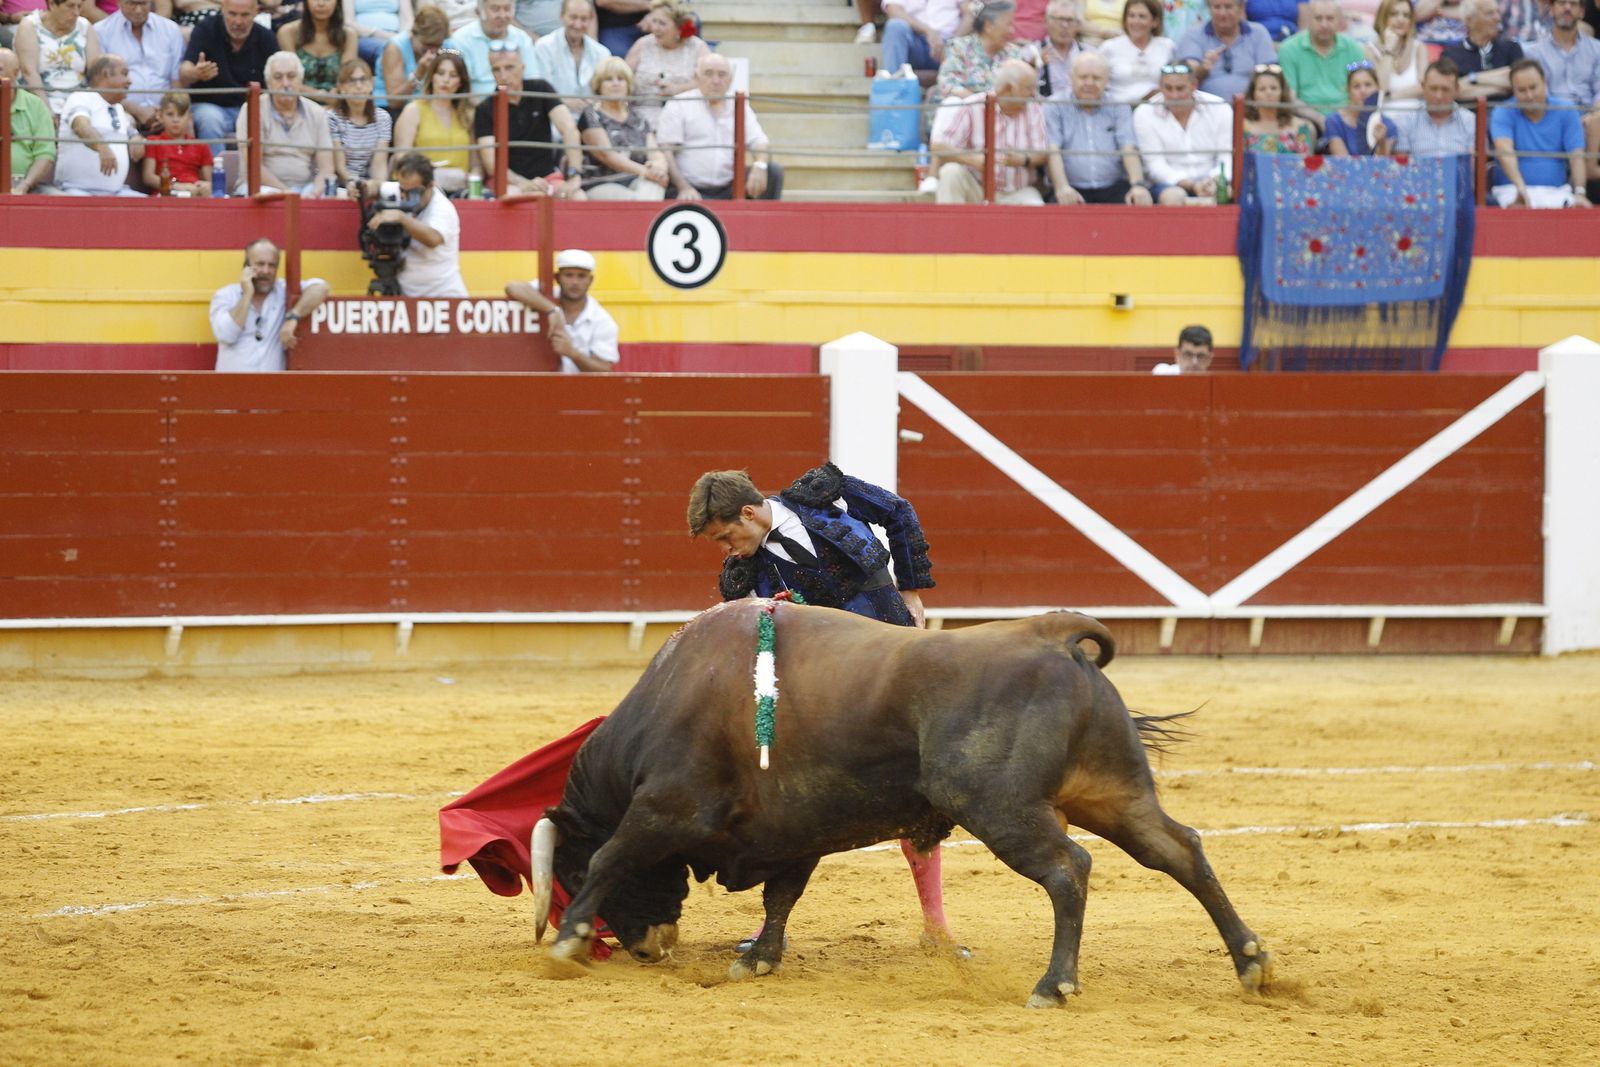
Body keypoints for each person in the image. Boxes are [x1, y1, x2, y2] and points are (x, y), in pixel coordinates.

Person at [685, 464, 958, 958]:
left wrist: (912, 591)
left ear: (749, 512)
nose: (726, 550)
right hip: (829, 698)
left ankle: (936, 927)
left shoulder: (821, 495)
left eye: (726, 536)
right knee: (795, 800)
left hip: (897, 662)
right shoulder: (744, 577)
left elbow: (898, 512)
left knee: (922, 793)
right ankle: (771, 927)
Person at [657, 51, 782, 199]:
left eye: (722, 75)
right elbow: (666, 151)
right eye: (708, 74)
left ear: (730, 80)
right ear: (697, 77)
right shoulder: (679, 104)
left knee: (772, 172)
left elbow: (759, 141)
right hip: (688, 188)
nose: (715, 80)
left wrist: (760, 165)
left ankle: (764, 222)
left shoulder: (739, 105)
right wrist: (683, 187)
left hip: (730, 186)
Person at [931, 56, 1049, 203]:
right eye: (1029, 88)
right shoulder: (973, 105)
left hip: (1017, 192)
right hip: (976, 188)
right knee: (951, 173)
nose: (1033, 94)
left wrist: (1024, 159)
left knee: (1035, 205)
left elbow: (1043, 154)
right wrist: (972, 159)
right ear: (1008, 89)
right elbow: (938, 146)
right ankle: (950, 226)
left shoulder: (1034, 109)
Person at [471, 45, 583, 195]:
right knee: (526, 197)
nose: (503, 76)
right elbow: (491, 163)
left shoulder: (541, 89)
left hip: (548, 177)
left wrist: (574, 174)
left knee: (578, 196)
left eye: (509, 68)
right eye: (496, 70)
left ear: (522, 68)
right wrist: (523, 183)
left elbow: (569, 128)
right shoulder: (485, 108)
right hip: (508, 182)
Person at [1046, 50, 1152, 203]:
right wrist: (1062, 187)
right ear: (1071, 78)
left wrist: (1137, 185)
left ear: (1107, 81)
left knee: (1139, 203)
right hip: (1070, 187)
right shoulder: (1054, 105)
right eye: (1083, 77)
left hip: (1113, 188)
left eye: (1096, 78)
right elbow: (1052, 150)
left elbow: (1128, 147)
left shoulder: (1119, 105)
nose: (1089, 83)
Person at [211, 238, 330, 373]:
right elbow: (227, 335)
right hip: (232, 389)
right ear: (246, 266)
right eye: (260, 264)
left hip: (273, 390)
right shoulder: (225, 296)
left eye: (272, 265)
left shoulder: (283, 291)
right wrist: (247, 295)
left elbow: (321, 288)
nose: (266, 271)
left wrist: (293, 317)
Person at [179, 0, 277, 155]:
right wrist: (195, 73)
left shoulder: (266, 37)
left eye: (244, 15)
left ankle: (257, 175)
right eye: (233, 14)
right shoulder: (205, 29)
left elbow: (276, 79)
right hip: (210, 106)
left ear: (256, 12)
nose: (238, 21)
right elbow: (184, 71)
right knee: (210, 120)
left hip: (251, 108)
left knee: (268, 118)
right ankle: (217, 174)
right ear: (222, 9)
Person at [1490, 56, 1589, 205]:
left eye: (1533, 87)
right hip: (1511, 190)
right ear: (1513, 91)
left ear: (1545, 84)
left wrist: (1580, 192)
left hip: (1557, 192)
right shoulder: (1503, 111)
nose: (1529, 95)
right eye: (1522, 90)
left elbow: (1577, 155)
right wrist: (1520, 188)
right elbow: (1505, 152)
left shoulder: (1567, 110)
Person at [234, 49, 336, 192]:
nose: (285, 83)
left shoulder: (317, 112)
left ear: (301, 81)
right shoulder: (252, 109)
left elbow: (326, 168)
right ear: (268, 83)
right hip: (261, 188)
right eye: (278, 77)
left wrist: (314, 194)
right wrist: (288, 195)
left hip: (306, 190)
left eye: (291, 76)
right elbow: (254, 166)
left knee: (334, 196)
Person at [504, 248, 620, 372]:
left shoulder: (603, 321)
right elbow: (512, 287)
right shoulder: (544, 296)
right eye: (569, 275)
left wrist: (572, 353)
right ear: (557, 278)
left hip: (581, 389)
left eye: (581, 276)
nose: (575, 282)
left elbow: (605, 370)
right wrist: (552, 310)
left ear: (590, 280)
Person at [1133, 60, 1231, 203]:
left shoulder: (1220, 108)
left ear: (1194, 86)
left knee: (1225, 193)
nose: (1174, 95)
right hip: (1169, 185)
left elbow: (1227, 158)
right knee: (1174, 196)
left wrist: (1213, 181)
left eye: (1180, 88)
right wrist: (1192, 185)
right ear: (1160, 88)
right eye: (1168, 88)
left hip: (1212, 181)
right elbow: (1154, 166)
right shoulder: (1145, 113)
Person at [375, 151, 469, 294]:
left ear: (430, 186)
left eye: (413, 192)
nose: (405, 196)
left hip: (443, 295)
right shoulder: (403, 190)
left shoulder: (442, 208)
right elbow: (376, 187)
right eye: (402, 190)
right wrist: (362, 188)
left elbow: (433, 238)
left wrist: (402, 218)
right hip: (405, 295)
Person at [576, 54, 668, 199]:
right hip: (600, 183)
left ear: (628, 84)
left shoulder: (638, 118)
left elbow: (655, 152)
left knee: (653, 187)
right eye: (609, 79)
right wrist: (646, 172)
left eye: (621, 79)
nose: (615, 83)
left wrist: (660, 166)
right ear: (599, 85)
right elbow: (608, 156)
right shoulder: (591, 114)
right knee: (635, 200)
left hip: (636, 179)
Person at [56, 53, 146, 193]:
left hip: (116, 192)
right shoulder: (81, 97)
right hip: (76, 190)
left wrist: (136, 137)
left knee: (150, 209)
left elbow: (129, 129)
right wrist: (102, 146)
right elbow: (81, 126)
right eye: (124, 74)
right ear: (106, 74)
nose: (130, 81)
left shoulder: (118, 107)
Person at [1525, 0, 1600, 166]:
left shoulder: (1597, 50)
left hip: (1590, 121)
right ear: (1551, 9)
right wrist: (1569, 119)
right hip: (1552, 119)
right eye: (1561, 3)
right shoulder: (1534, 52)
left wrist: (1594, 116)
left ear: (1581, 12)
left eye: (1573, 4)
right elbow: (1539, 94)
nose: (1567, 8)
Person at [90, 0, 183, 130]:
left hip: (167, 111)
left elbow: (176, 81)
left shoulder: (171, 30)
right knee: (123, 125)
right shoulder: (101, 31)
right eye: (132, 4)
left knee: (185, 122)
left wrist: (167, 112)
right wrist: (136, 110)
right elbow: (101, 86)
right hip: (122, 110)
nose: (138, 10)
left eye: (143, 4)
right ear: (119, 2)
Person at [394, 47, 476, 191]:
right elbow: (402, 158)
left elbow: (476, 165)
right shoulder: (413, 110)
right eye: (441, 73)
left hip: (461, 188)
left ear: (461, 82)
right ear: (432, 77)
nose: (446, 80)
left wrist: (474, 183)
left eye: (453, 75)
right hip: (422, 188)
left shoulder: (468, 114)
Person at [623, 0, 707, 130]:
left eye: (662, 23)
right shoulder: (642, 44)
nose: (655, 28)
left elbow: (706, 81)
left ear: (679, 28)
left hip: (685, 117)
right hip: (642, 117)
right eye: (654, 21)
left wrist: (678, 89)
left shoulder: (697, 47)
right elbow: (623, 76)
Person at [1174, 0, 1277, 102]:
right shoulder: (1194, 34)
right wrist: (1202, 69)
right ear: (1209, 9)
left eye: (1228, 7)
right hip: (1206, 109)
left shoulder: (1258, 32)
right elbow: (1183, 77)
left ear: (1241, 8)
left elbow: (1270, 75)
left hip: (1252, 109)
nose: (1222, 13)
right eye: (1217, 7)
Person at [1278, 0, 1368, 115]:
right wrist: (1319, 119)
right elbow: (1290, 97)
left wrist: (1338, 120)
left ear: (1340, 21)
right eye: (1318, 18)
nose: (1324, 25)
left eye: (1330, 18)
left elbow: (1359, 93)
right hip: (1305, 116)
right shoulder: (1289, 49)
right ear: (1309, 19)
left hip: (1346, 116)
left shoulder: (1354, 49)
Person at [14, 0, 99, 116]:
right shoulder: (30, 26)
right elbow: (29, 72)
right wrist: (46, 109)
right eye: (70, 6)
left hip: (80, 100)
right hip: (41, 98)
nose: (76, 12)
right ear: (52, 4)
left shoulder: (84, 26)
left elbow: (95, 71)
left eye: (79, 6)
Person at [1390, 57, 1478, 153]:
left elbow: (1473, 165)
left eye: (1445, 89)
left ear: (1457, 89)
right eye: (1433, 88)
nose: (1439, 96)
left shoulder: (1471, 122)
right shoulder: (1405, 120)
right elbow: (1402, 165)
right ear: (1423, 87)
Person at [374, 1, 449, 109]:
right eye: (428, 45)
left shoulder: (447, 45)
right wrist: (418, 74)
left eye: (438, 45)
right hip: (390, 110)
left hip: (427, 107)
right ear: (413, 35)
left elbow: (457, 54)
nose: (433, 50)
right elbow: (394, 102)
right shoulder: (395, 48)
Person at [277, 0, 356, 102]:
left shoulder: (349, 35)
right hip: (297, 103)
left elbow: (347, 78)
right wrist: (320, 96)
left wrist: (335, 98)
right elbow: (289, 79)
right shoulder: (288, 32)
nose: (321, 3)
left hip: (337, 104)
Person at [529, 0, 607, 104]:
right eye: (573, 17)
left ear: (590, 20)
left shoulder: (602, 53)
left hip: (592, 116)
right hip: (553, 115)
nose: (578, 25)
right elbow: (541, 92)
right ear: (562, 16)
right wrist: (565, 102)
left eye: (583, 19)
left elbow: (604, 94)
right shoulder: (544, 47)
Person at [2, 45, 57, 191]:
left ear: (16, 72)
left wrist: (24, 186)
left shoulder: (35, 105)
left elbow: (45, 153)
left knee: (64, 204)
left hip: (27, 184)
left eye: (0, 69)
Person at [1441, 0, 1522, 100]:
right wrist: (1501, 86)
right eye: (1489, 13)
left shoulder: (1511, 48)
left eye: (1497, 12)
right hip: (1467, 113)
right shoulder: (1451, 55)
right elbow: (1453, 91)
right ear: (1470, 20)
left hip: (1506, 113)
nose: (1497, 18)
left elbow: (1520, 80)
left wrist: (1472, 78)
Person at [328, 56, 391, 183]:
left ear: (372, 84)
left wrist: (375, 186)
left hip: (371, 184)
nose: (358, 86)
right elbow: (340, 168)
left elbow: (379, 165)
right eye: (352, 81)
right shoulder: (332, 118)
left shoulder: (383, 118)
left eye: (363, 80)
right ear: (341, 87)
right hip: (343, 184)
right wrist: (356, 185)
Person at [1098, 0, 1173, 104]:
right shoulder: (1109, 47)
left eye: (1142, 16)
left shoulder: (1167, 46)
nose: (1135, 21)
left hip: (1156, 110)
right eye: (1131, 16)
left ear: (1155, 21)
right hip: (1118, 110)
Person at [454, 0, 534, 96]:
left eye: (507, 9)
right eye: (495, 9)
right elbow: (462, 88)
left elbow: (532, 80)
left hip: (518, 104)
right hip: (477, 105)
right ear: (479, 11)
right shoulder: (461, 40)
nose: (502, 15)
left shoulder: (522, 39)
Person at [141, 88, 212, 191]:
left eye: (181, 115)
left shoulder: (201, 146)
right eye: (170, 114)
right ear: (160, 116)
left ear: (189, 117)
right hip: (165, 195)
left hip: (194, 195)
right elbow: (148, 177)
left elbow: (209, 181)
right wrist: (176, 187)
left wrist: (204, 187)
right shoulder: (153, 142)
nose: (175, 120)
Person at [879, 0, 966, 80]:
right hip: (915, 42)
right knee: (894, 27)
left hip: (949, 45)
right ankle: (893, 87)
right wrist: (928, 32)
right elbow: (894, 11)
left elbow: (970, 14)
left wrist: (953, 43)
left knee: (962, 47)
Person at [1241, 62, 1318, 153]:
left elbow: (1304, 163)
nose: (1268, 93)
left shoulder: (1301, 127)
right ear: (1253, 94)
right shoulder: (1242, 126)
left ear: (1282, 92)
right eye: (1262, 89)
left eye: (1273, 88)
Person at [1323, 61, 1397, 153]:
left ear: (1378, 88)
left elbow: (1382, 165)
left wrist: (1381, 143)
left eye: (1368, 85)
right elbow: (1342, 162)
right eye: (1356, 86)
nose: (1363, 91)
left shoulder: (1388, 125)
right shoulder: (1334, 121)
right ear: (1348, 91)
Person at [1365, 0, 1429, 101]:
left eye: (1406, 15)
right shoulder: (1369, 50)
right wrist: (1389, 49)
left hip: (1415, 113)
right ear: (1383, 17)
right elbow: (1381, 88)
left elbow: (1424, 86)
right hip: (1382, 115)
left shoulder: (1419, 48)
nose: (1401, 20)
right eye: (1394, 14)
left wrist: (1390, 96)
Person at [1039, 0, 1093, 100]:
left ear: (1078, 25)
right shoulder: (1033, 52)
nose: (1065, 25)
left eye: (1070, 20)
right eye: (1060, 19)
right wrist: (1035, 66)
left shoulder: (1091, 54)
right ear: (1046, 21)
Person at [343, 0, 411, 69]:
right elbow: (349, 22)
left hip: (396, 36)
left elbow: (408, 19)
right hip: (365, 36)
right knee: (389, 51)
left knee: (405, 48)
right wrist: (376, 32)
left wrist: (400, 38)